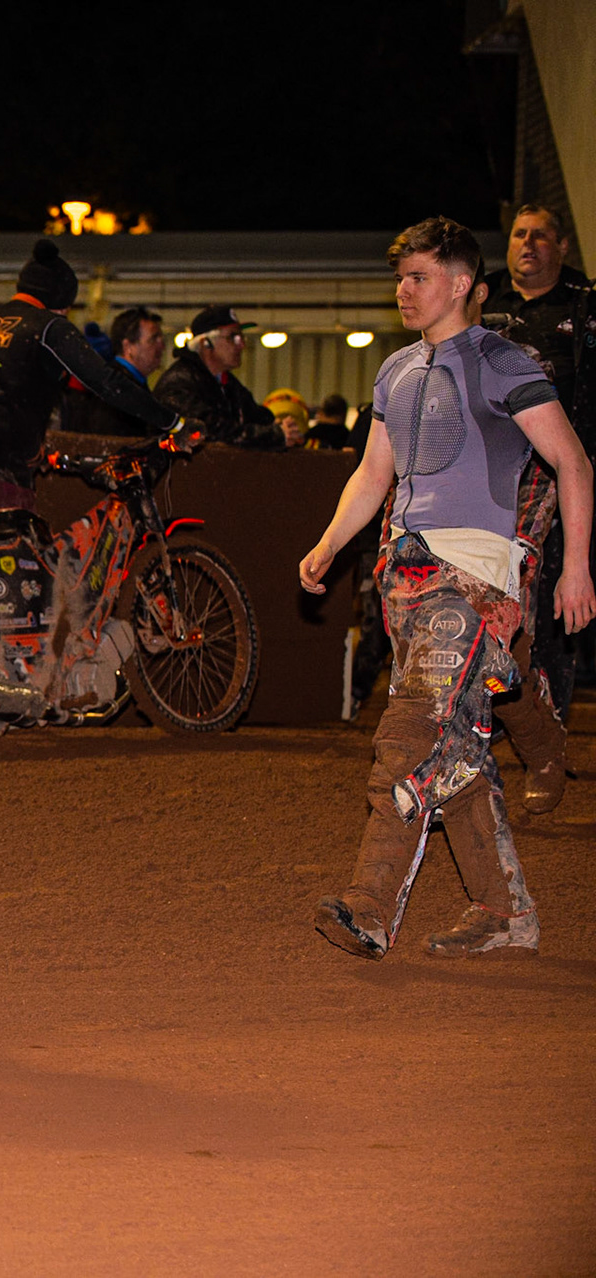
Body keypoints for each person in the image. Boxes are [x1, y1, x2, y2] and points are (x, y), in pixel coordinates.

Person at [301, 216, 593, 962]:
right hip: (407, 577)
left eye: (419, 276)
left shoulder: (503, 362)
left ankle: (369, 905)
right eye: (400, 276)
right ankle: (503, 912)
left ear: (461, 284)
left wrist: (576, 566)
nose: (403, 289)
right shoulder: (394, 370)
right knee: (454, 747)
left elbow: (573, 463)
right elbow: (374, 475)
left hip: (470, 583)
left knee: (408, 736)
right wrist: (330, 544)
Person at [0, 240, 178, 546]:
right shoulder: (50, 327)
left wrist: (32, 447)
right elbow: (106, 382)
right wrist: (172, 423)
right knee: (20, 580)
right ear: (61, 302)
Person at [481, 203, 595, 794]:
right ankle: (497, 729)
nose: (528, 245)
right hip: (487, 475)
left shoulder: (585, 304)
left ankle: (548, 733)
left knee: (551, 604)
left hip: (558, 474)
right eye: (519, 235)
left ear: (562, 246)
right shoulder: (480, 299)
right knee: (490, 599)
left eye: (540, 236)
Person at [154, 306, 296, 449]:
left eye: (241, 337)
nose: (242, 345)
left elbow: (258, 417)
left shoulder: (228, 385)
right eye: (233, 337)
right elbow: (207, 430)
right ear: (206, 343)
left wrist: (280, 426)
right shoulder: (178, 384)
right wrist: (274, 434)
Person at [65, 306, 166, 437]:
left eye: (161, 340)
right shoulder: (115, 387)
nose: (162, 346)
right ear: (128, 346)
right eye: (153, 339)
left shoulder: (127, 383)